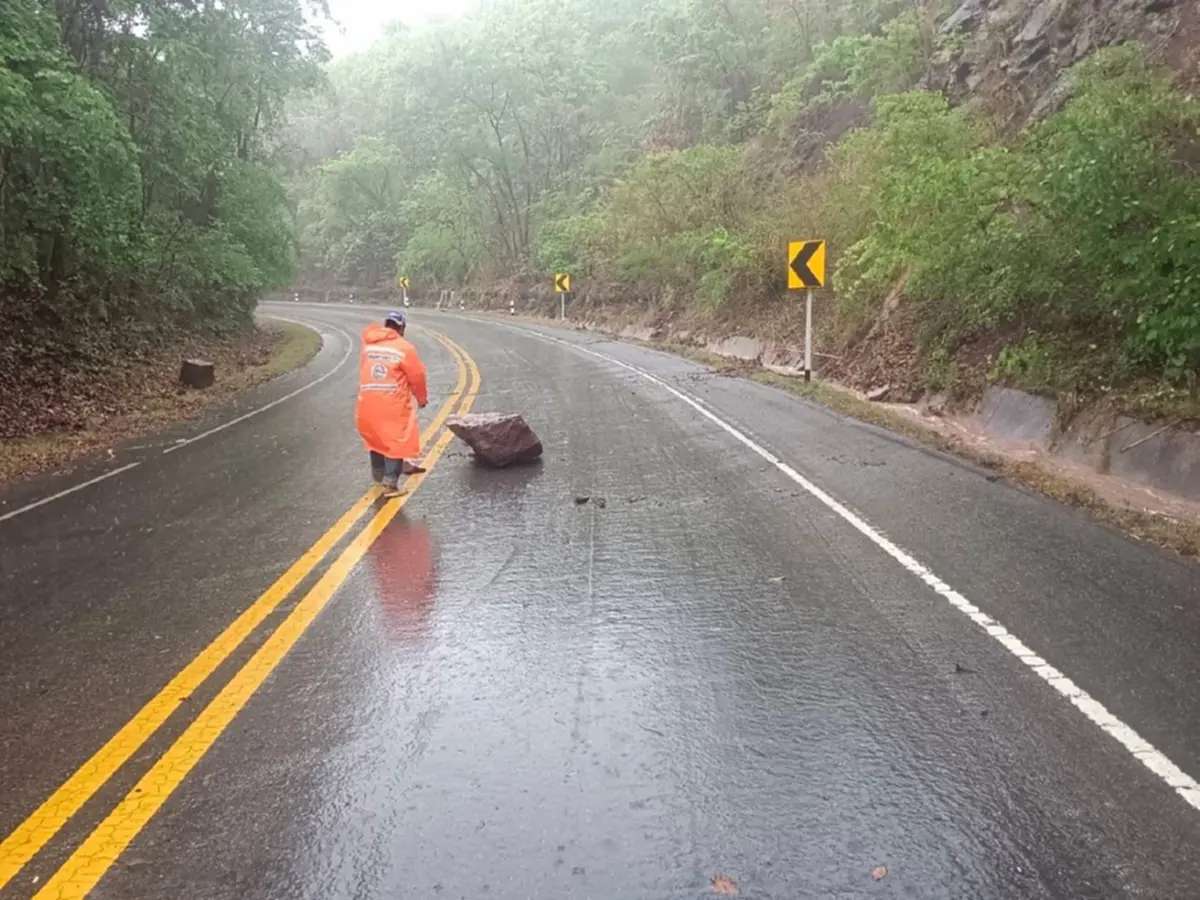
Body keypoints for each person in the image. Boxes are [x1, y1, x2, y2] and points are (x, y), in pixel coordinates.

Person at [356, 311, 429, 498]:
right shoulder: (405, 348)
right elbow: (417, 376)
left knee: (375, 437)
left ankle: (378, 478)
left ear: (386, 325)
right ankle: (390, 484)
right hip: (392, 402)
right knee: (395, 440)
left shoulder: (368, 347)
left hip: (367, 402)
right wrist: (421, 398)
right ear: (402, 328)